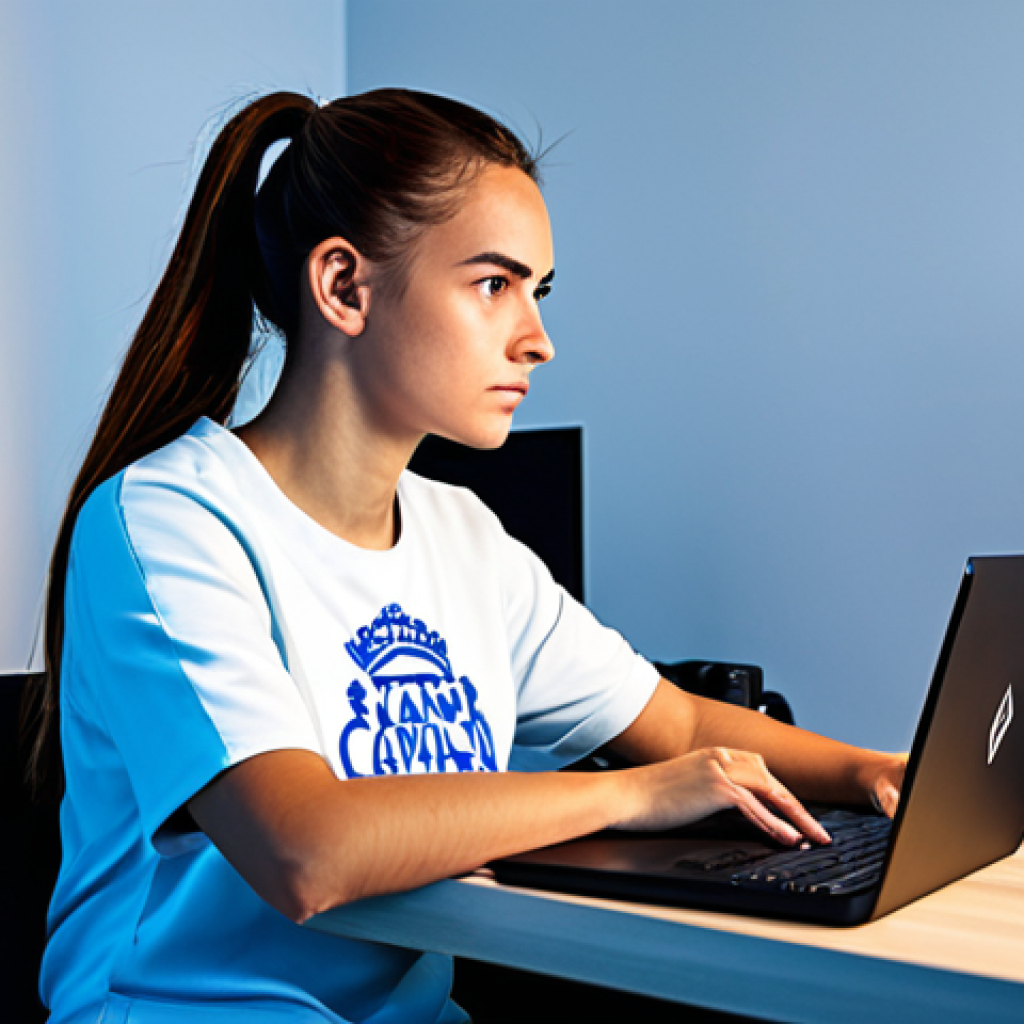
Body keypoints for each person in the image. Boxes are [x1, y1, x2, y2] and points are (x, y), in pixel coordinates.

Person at [29, 89, 906, 1023]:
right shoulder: (168, 520)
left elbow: (682, 731)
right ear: (343, 288)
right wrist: (630, 798)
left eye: (540, 290)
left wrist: (879, 773)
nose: (538, 339)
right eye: (495, 285)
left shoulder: (463, 537)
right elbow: (306, 851)